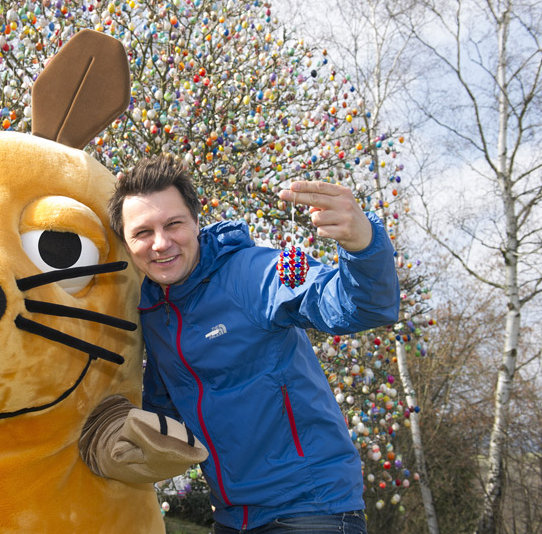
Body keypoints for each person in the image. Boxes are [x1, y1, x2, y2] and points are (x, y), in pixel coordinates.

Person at [108, 156, 399, 533]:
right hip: (231, 518)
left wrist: (364, 245)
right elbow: (165, 409)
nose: (161, 243)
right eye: (143, 232)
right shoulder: (151, 310)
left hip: (312, 509)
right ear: (127, 244)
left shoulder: (253, 274)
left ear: (196, 222)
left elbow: (359, 307)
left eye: (173, 224)